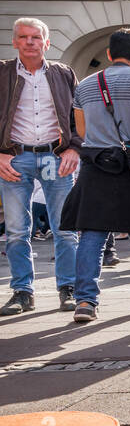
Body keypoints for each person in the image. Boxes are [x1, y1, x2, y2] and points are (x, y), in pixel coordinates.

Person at [60, 27, 130, 320]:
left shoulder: (84, 85)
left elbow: (81, 131)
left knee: (92, 235)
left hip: (96, 163)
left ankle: (85, 302)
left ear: (109, 54)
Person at [0, 17, 81, 317]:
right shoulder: (2, 72)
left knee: (65, 229)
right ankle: (22, 292)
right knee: (18, 231)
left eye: (36, 37)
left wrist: (74, 148)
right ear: (15, 42)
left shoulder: (63, 74)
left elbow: (77, 116)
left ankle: (68, 288)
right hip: (15, 158)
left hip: (54, 158)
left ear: (47, 42)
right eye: (23, 37)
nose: (30, 42)